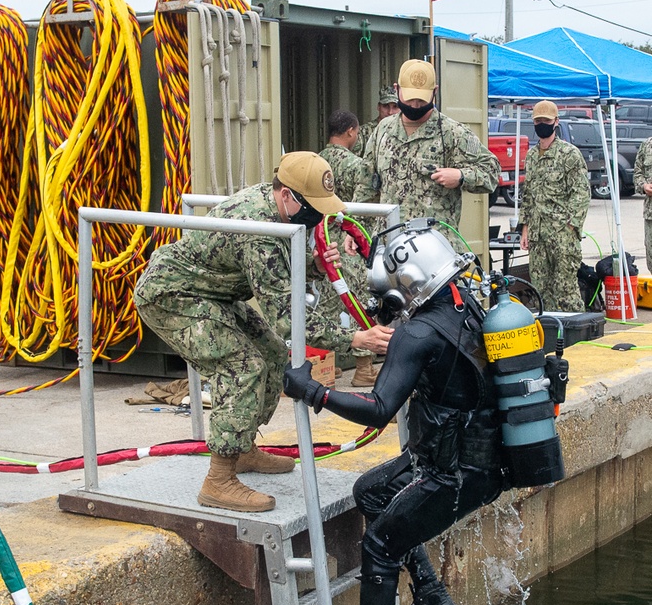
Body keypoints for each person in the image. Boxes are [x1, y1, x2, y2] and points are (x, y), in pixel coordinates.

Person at [283, 220, 506, 605]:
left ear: (411, 284)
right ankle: (428, 591)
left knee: (381, 544)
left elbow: (379, 408)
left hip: (452, 473)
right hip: (477, 459)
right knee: (371, 491)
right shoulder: (470, 309)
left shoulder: (418, 333)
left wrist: (314, 392)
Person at [134, 151, 393, 514]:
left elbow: (279, 273)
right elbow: (288, 316)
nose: (318, 216)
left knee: (271, 353)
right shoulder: (259, 230)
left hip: (211, 291)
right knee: (243, 367)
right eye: (313, 206)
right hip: (172, 295)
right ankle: (219, 480)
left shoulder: (277, 210)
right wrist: (352, 339)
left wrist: (315, 265)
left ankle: (241, 450)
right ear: (287, 194)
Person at [354, 60, 499, 249]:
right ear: (397, 89)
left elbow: (491, 171)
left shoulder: (452, 133)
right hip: (389, 245)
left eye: (421, 100)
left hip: (435, 250)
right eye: (409, 98)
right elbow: (366, 184)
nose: (415, 105)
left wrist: (461, 176)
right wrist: (355, 228)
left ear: (435, 92)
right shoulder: (383, 129)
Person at [319, 110, 378, 387]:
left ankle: (324, 365)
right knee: (358, 301)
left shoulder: (316, 162)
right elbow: (366, 193)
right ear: (352, 132)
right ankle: (364, 368)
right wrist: (356, 231)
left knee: (327, 303)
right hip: (347, 241)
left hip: (322, 243)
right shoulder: (356, 164)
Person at [520, 101, 589, 311]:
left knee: (565, 290)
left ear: (556, 122)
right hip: (538, 236)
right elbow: (528, 194)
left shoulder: (569, 154)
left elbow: (581, 194)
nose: (542, 125)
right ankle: (551, 336)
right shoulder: (531, 156)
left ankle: (577, 337)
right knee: (541, 290)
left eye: (546, 121)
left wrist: (570, 227)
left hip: (562, 236)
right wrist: (525, 228)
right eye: (538, 121)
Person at [353, 86, 400, 158]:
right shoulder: (364, 132)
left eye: (395, 107)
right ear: (378, 107)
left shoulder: (404, 132)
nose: (390, 112)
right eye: (386, 106)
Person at [634, 133, 652, 275]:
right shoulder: (646, 145)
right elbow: (637, 172)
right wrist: (644, 186)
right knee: (651, 257)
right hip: (650, 214)